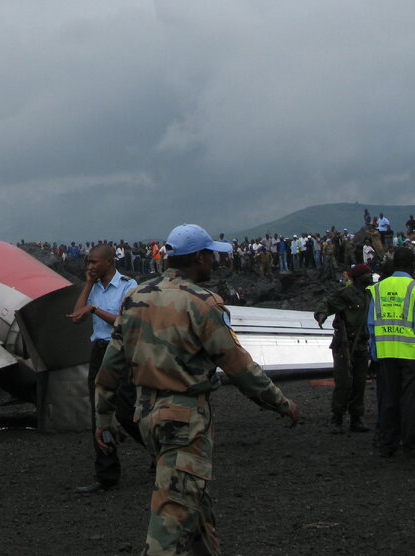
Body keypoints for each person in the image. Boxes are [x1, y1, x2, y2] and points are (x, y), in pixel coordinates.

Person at [94, 223, 299, 556]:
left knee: (194, 503)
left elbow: (112, 363)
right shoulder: (203, 303)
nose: (214, 263)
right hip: (185, 420)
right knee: (171, 518)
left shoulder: (136, 296)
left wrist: (103, 417)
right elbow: (239, 365)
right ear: (200, 257)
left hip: (147, 415)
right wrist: (280, 403)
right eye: (211, 257)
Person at [67, 243, 140, 493]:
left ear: (109, 261)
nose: (89, 266)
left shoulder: (129, 286)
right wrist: (88, 285)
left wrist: (95, 309)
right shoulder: (93, 287)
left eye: (93, 262)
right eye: (88, 262)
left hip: (120, 351)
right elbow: (77, 315)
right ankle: (107, 474)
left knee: (127, 413)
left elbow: (126, 322)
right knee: (99, 413)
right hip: (99, 351)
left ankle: (158, 450)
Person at [367, 245, 415, 458]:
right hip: (410, 353)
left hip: (386, 353)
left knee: (388, 400)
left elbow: (371, 325)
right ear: (412, 265)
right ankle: (412, 447)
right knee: (409, 402)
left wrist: (375, 354)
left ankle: (388, 445)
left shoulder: (378, 288)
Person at [313, 263, 373, 433]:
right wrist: (321, 316)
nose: (370, 276)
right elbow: (326, 303)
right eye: (367, 274)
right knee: (344, 383)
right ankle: (337, 418)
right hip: (344, 346)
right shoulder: (346, 294)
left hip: (362, 344)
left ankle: (356, 419)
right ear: (359, 278)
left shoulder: (368, 295)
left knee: (360, 383)